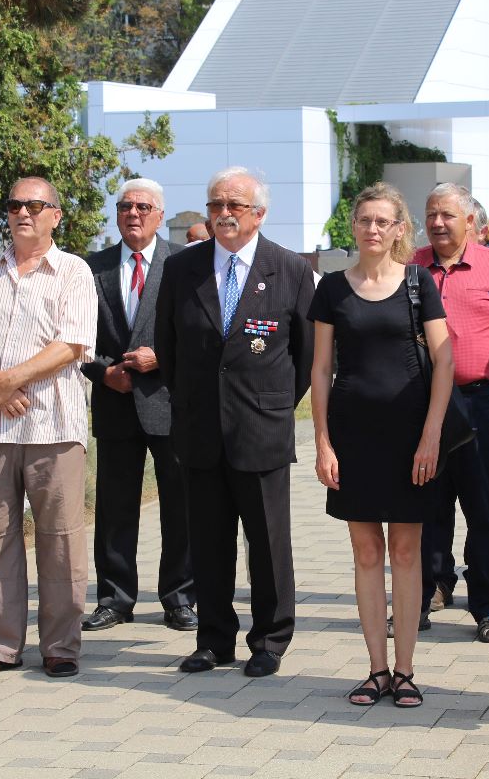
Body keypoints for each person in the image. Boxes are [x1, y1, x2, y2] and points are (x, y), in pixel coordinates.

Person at [154, 166, 314, 677]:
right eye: (215, 205)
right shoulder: (183, 268)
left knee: (267, 542)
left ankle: (269, 640)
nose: (223, 214)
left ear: (259, 214)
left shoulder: (288, 268)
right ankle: (214, 639)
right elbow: (167, 345)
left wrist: (272, 404)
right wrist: (191, 401)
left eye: (234, 205)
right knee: (208, 541)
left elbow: (307, 356)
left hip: (261, 427)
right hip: (199, 428)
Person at [0, 177, 97, 679]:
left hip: (53, 425)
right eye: (14, 205)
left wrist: (8, 381)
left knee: (60, 538)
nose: (22, 213)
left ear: (56, 215)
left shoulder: (73, 271)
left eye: (34, 205)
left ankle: (60, 646)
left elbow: (72, 344)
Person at [310, 182, 450, 708]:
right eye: (364, 220)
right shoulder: (331, 288)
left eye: (382, 221)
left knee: (407, 551)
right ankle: (376, 669)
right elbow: (321, 369)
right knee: (366, 551)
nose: (372, 229)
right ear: (353, 226)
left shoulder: (418, 282)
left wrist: (431, 434)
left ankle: (407, 670)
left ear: (399, 229)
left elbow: (445, 361)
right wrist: (323, 442)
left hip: (411, 435)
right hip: (353, 435)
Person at [411, 183, 489, 643]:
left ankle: (487, 607)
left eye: (447, 215)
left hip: (482, 402)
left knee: (484, 510)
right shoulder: (411, 266)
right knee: (426, 505)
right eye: (431, 214)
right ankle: (425, 595)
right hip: (422, 404)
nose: (437, 223)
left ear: (470, 221)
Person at [81, 178, 196, 634]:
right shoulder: (92, 268)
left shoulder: (184, 264)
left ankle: (180, 597)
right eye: (125, 206)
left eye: (144, 207)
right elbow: (74, 335)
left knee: (180, 506)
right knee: (114, 507)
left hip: (170, 402)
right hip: (115, 401)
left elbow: (200, 332)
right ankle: (114, 598)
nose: (133, 213)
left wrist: (161, 358)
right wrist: (103, 372)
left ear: (160, 215)